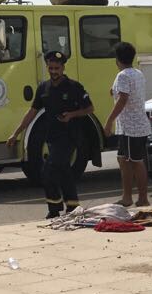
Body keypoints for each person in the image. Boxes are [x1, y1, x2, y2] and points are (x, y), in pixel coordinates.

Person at [7, 51, 94, 218]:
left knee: (48, 171)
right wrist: (15, 133)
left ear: (63, 68)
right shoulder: (43, 88)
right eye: (51, 68)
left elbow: (90, 109)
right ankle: (73, 207)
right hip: (52, 137)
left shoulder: (74, 87)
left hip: (69, 136)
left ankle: (54, 209)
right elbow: (32, 112)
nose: (53, 71)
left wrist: (71, 115)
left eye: (57, 68)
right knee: (64, 170)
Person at [104, 41, 151, 208]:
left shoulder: (123, 75)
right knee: (123, 159)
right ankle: (127, 196)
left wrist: (109, 121)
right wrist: (114, 91)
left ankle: (142, 198)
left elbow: (123, 98)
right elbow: (125, 92)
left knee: (135, 161)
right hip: (132, 126)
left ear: (117, 59)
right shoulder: (137, 73)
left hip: (132, 127)